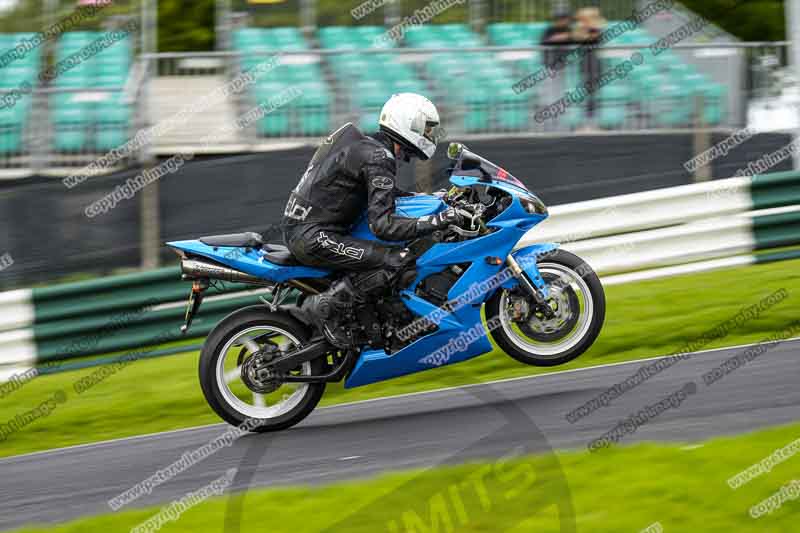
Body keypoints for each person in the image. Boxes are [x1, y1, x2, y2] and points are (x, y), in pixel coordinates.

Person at [281, 93, 464, 348]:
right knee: (397, 259)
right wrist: (438, 220)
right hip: (314, 237)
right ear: (407, 122)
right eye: (427, 128)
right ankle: (324, 311)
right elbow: (383, 225)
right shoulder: (379, 157)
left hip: (307, 231)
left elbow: (380, 194)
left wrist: (432, 199)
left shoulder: (368, 148)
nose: (431, 134)